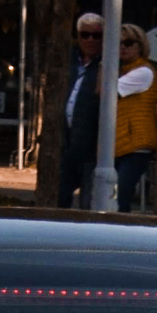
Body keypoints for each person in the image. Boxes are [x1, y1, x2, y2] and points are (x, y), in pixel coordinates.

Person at [57, 13, 104, 208]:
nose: (90, 40)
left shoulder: (106, 66)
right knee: (59, 199)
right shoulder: (68, 63)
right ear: (78, 37)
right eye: (85, 35)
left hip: (91, 149)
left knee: (88, 205)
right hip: (66, 144)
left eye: (96, 35)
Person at [112, 23, 157, 211]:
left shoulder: (143, 72)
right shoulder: (125, 70)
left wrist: (103, 62)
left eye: (129, 43)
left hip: (135, 143)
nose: (122, 47)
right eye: (118, 43)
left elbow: (106, 90)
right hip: (121, 141)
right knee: (115, 192)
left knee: (120, 194)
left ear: (140, 46)